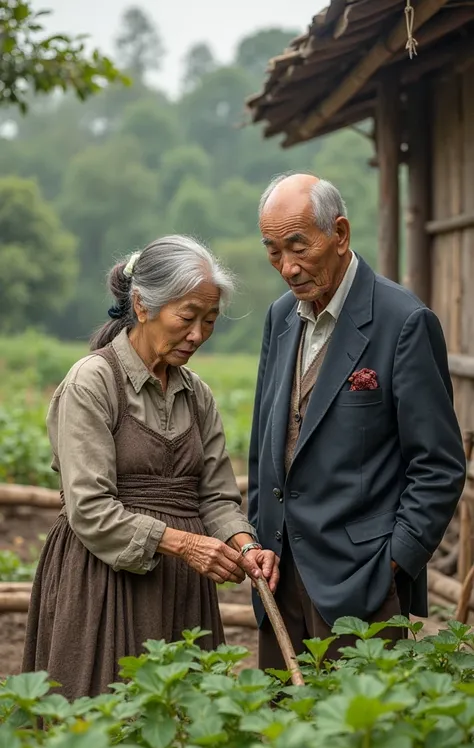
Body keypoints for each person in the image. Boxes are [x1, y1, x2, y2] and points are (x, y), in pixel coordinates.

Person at [23, 235, 279, 699]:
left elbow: (217, 496)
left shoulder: (196, 394)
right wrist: (183, 544)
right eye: (187, 317)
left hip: (181, 586)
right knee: (103, 716)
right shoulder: (93, 382)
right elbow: (91, 509)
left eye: (210, 321)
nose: (198, 335)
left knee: (181, 726)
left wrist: (245, 547)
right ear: (142, 306)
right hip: (103, 581)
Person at [248, 173, 466, 668]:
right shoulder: (281, 317)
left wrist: (392, 564)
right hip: (281, 580)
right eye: (273, 250)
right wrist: (263, 541)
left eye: (298, 247)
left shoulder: (403, 321)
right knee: (285, 733)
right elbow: (265, 445)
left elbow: (438, 466)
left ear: (340, 234)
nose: (287, 267)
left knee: (360, 736)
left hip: (365, 586)